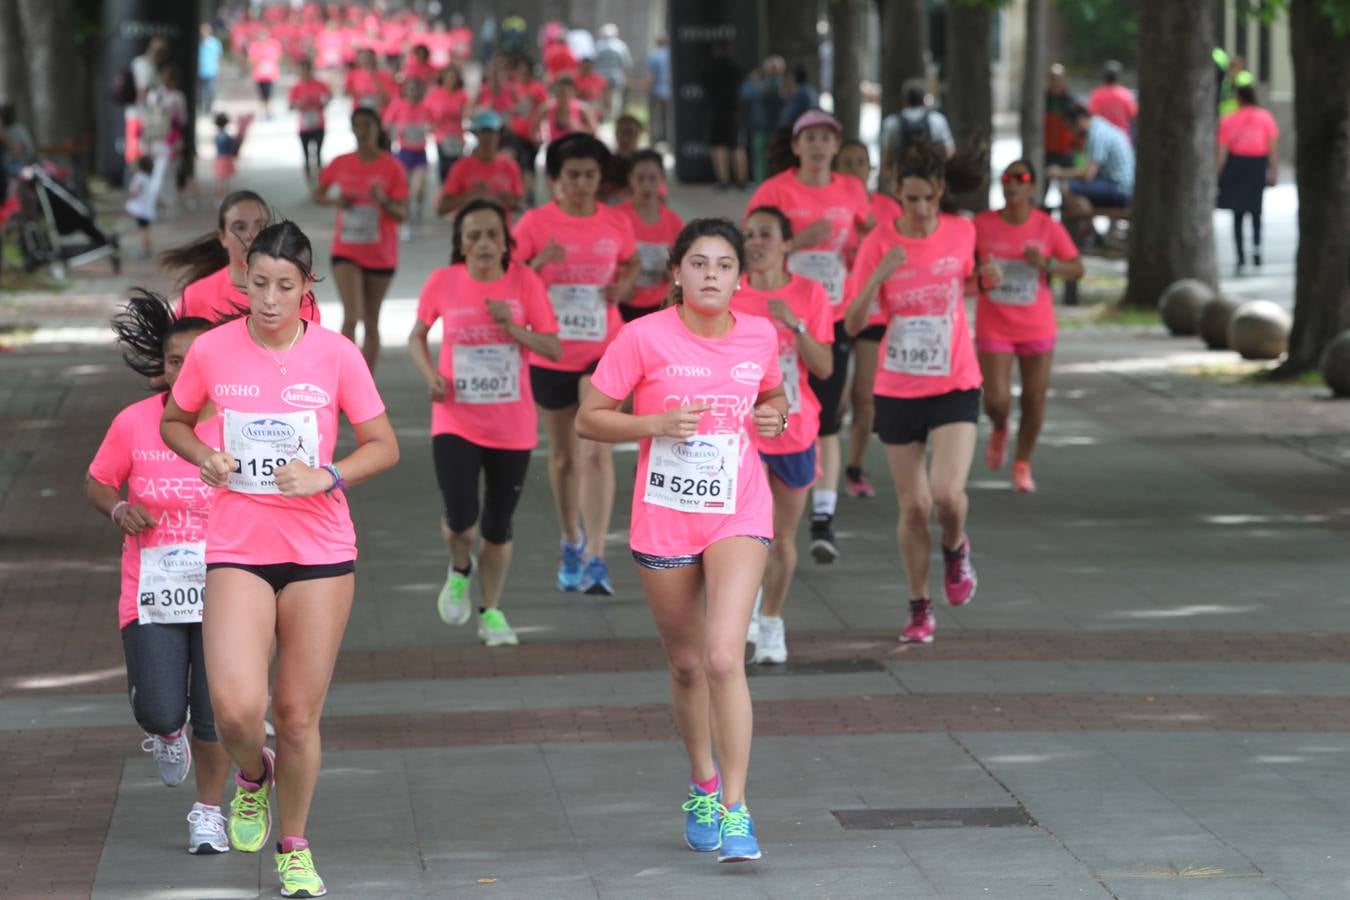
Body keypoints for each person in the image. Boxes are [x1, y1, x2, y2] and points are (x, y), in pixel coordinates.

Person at [161, 221, 397, 898]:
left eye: (284, 286)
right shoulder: (213, 350)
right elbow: (174, 422)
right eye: (258, 283)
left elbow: (383, 444)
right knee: (236, 710)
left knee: (295, 715)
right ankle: (252, 774)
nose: (268, 299)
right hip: (238, 547)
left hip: (320, 550)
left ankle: (294, 846)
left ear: (306, 287)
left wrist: (330, 475)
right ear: (244, 278)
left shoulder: (336, 354)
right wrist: (204, 455)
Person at [577, 217, 785, 863]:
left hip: (737, 510)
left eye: (724, 265)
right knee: (688, 664)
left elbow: (773, 396)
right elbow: (589, 418)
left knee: (724, 657)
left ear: (740, 277)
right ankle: (703, 781)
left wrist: (775, 415)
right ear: (676, 272)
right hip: (665, 514)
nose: (711, 275)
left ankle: (738, 810)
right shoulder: (642, 337)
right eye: (699, 263)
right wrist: (655, 424)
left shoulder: (760, 333)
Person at [86, 293, 231, 857]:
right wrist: (120, 509)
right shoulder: (134, 422)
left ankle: (208, 814)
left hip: (226, 590)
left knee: (214, 715)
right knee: (160, 708)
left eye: (196, 360)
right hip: (152, 595)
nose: (185, 370)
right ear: (162, 368)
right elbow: (98, 481)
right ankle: (167, 734)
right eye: (175, 361)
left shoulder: (238, 424)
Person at [843, 141, 1000, 645]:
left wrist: (987, 280)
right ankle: (919, 606)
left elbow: (965, 282)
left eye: (929, 198)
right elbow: (852, 321)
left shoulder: (962, 231)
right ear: (896, 194)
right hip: (898, 385)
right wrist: (880, 275)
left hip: (954, 379)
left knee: (947, 496)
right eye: (911, 199)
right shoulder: (879, 243)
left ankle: (955, 547)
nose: (921, 209)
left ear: (940, 192)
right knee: (914, 506)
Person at [408, 200, 562, 646]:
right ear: (461, 243)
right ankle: (460, 568)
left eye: (493, 234)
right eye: (473, 235)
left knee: (497, 527)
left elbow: (552, 348)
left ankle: (491, 611)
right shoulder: (443, 281)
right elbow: (417, 337)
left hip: (512, 426)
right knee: (461, 522)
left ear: (506, 242)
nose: (484, 243)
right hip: (455, 419)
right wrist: (430, 376)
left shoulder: (525, 282)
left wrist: (511, 327)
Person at [513, 134, 639, 595]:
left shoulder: (616, 221)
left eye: (590, 175)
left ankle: (597, 556)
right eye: (573, 176)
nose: (582, 184)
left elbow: (631, 262)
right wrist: (540, 262)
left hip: (603, 348)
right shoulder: (535, 223)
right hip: (551, 351)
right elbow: (510, 280)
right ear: (555, 180)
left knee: (596, 448)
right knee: (565, 455)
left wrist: (623, 286)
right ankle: (571, 539)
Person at [747, 109, 871, 565]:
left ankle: (823, 515)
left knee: (828, 415)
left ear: (836, 146)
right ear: (797, 145)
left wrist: (860, 252)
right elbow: (755, 246)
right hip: (776, 311)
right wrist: (801, 240)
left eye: (826, 137)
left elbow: (865, 240)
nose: (818, 145)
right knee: (790, 403)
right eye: (810, 137)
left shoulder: (851, 189)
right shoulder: (774, 190)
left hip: (830, 310)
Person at [733, 206, 833, 665]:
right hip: (742, 430)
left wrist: (795, 323)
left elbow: (824, 366)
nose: (756, 242)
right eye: (749, 234)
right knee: (743, 532)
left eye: (766, 234)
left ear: (787, 243)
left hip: (794, 429)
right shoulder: (731, 293)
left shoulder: (809, 293)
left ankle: (772, 621)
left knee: (782, 537)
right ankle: (748, 604)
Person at [973, 160, 1083, 493]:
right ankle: (1000, 427)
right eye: (1007, 178)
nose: (1012, 184)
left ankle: (1022, 463)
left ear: (1032, 187)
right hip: (994, 323)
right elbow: (963, 263)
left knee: (1034, 399)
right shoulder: (982, 224)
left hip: (1036, 325)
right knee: (997, 401)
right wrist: (980, 273)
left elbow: (1076, 267)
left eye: (1020, 178)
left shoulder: (1047, 227)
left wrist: (1047, 263)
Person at [312, 107, 409, 371]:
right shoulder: (341, 162)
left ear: (378, 129)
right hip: (346, 250)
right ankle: (344, 378)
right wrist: (336, 201)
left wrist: (383, 200)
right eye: (357, 125)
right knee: (351, 315)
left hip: (381, 254)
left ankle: (365, 384)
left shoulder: (392, 167)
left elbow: (402, 214)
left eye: (368, 125)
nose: (362, 131)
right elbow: (318, 194)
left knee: (370, 321)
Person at [834, 139, 901, 500]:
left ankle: (855, 467)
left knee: (864, 396)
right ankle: (817, 460)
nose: (854, 168)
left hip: (875, 311)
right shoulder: (830, 205)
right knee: (835, 398)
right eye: (846, 162)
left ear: (870, 168)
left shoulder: (888, 208)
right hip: (833, 310)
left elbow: (905, 254)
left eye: (860, 161)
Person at [165, 191, 320, 328]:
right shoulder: (195, 296)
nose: (251, 235)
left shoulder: (298, 296)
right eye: (240, 227)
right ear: (223, 237)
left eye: (260, 226)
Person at [615, 149, 684, 322]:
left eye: (652, 178)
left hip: (661, 303)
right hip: (622, 302)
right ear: (630, 179)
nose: (646, 184)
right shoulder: (616, 217)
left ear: (662, 179)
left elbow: (681, 267)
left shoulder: (674, 222)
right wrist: (622, 284)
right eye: (640, 178)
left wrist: (673, 291)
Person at [1047, 106, 1134, 243]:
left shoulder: (1097, 133)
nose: (1072, 133)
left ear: (1080, 120)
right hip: (1119, 185)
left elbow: (1088, 174)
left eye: (1071, 127)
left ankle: (1090, 233)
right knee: (1076, 195)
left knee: (1067, 187)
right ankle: (1092, 233)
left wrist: (1059, 172)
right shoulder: (1101, 127)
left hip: (1120, 189)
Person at [1217, 83, 1279, 273]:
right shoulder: (1265, 117)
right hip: (1257, 165)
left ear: (1239, 98)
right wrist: (1273, 170)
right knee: (1256, 210)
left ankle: (1241, 256)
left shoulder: (1229, 119)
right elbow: (1272, 147)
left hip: (1236, 165)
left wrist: (1218, 173)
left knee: (1237, 212)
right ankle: (1257, 250)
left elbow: (1222, 151)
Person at [437, 111, 524, 216]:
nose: (488, 137)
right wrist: (470, 195)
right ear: (476, 134)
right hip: (470, 224)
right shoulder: (461, 167)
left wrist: (511, 201)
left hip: (499, 224)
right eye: (484, 132)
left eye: (492, 132)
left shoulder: (510, 166)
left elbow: (520, 204)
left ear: (499, 135)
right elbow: (442, 207)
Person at [383, 78, 434, 238]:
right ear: (405, 91)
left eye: (415, 89)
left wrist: (427, 129)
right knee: (404, 191)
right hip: (403, 152)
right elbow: (386, 124)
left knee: (417, 190)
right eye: (410, 89)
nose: (413, 92)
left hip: (420, 153)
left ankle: (417, 208)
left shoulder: (425, 107)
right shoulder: (397, 105)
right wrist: (397, 130)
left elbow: (433, 124)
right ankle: (405, 223)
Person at [880, 78, 955, 181]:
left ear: (904, 100)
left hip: (903, 180)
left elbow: (886, 156)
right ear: (924, 99)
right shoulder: (937, 120)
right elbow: (950, 151)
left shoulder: (892, 122)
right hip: (930, 179)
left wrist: (888, 178)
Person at [703, 42, 749, 191]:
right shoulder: (736, 68)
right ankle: (742, 181)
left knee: (718, 145)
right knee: (737, 145)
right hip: (733, 111)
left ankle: (723, 181)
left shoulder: (710, 68)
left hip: (716, 110)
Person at [425, 65, 470, 187]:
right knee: (444, 167)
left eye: (454, 77)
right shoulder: (435, 94)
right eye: (449, 76)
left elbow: (467, 113)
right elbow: (426, 112)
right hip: (441, 136)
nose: (451, 79)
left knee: (457, 167)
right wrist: (431, 124)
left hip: (457, 136)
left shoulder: (462, 95)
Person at [288, 59, 332, 183]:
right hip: (304, 125)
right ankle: (309, 181)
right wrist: (298, 104)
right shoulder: (296, 87)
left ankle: (320, 179)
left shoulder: (320, 84)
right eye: (302, 70)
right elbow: (290, 106)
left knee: (318, 153)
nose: (304, 73)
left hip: (319, 123)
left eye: (307, 70)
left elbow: (329, 96)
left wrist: (323, 104)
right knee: (306, 155)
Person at [533, 75, 599, 145]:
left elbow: (594, 133)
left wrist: (580, 129)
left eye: (568, 92)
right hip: (554, 148)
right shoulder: (547, 108)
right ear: (556, 92)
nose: (564, 96)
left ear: (574, 92)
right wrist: (538, 138)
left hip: (576, 149)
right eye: (561, 92)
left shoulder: (583, 110)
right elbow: (534, 130)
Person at [1044, 64, 1081, 170]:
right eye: (1053, 79)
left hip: (1066, 151)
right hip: (1046, 151)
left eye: (1058, 79)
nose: (1056, 82)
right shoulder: (1043, 100)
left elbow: (1078, 126)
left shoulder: (1071, 101)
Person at [1087, 60, 1137, 138]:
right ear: (1118, 76)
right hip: (1122, 138)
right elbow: (1133, 116)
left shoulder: (1096, 95)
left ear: (1104, 76)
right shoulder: (1126, 95)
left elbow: (1091, 116)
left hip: (1102, 137)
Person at [593, 23, 633, 122]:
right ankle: (613, 118)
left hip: (600, 77)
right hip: (616, 77)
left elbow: (593, 62)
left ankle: (603, 117)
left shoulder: (598, 45)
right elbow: (627, 63)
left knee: (602, 97)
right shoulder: (621, 46)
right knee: (615, 97)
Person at [125, 156, 162, 260]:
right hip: (147, 209)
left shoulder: (139, 177)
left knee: (142, 231)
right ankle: (148, 249)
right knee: (146, 230)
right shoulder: (148, 177)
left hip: (141, 210)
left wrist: (131, 195)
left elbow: (136, 191)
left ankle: (144, 250)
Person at [248, 29, 283, 119]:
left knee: (269, 94)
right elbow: (251, 59)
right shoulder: (254, 46)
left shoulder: (274, 44)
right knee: (261, 95)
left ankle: (268, 112)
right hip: (259, 75)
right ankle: (263, 112)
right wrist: (259, 61)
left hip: (270, 75)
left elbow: (278, 57)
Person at [645, 35, 672, 145]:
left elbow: (650, 76)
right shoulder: (672, 56)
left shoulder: (654, 56)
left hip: (656, 91)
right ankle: (668, 139)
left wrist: (647, 90)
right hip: (669, 91)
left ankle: (655, 140)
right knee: (668, 117)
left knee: (655, 117)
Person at [777, 63, 820, 131]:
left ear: (793, 77)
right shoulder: (811, 90)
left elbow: (788, 117)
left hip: (799, 129)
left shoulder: (799, 94)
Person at [199, 23, 224, 116]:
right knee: (200, 91)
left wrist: (218, 69)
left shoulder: (215, 43)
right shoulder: (199, 42)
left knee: (210, 91)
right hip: (199, 71)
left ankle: (208, 109)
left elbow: (219, 56)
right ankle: (200, 108)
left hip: (211, 71)